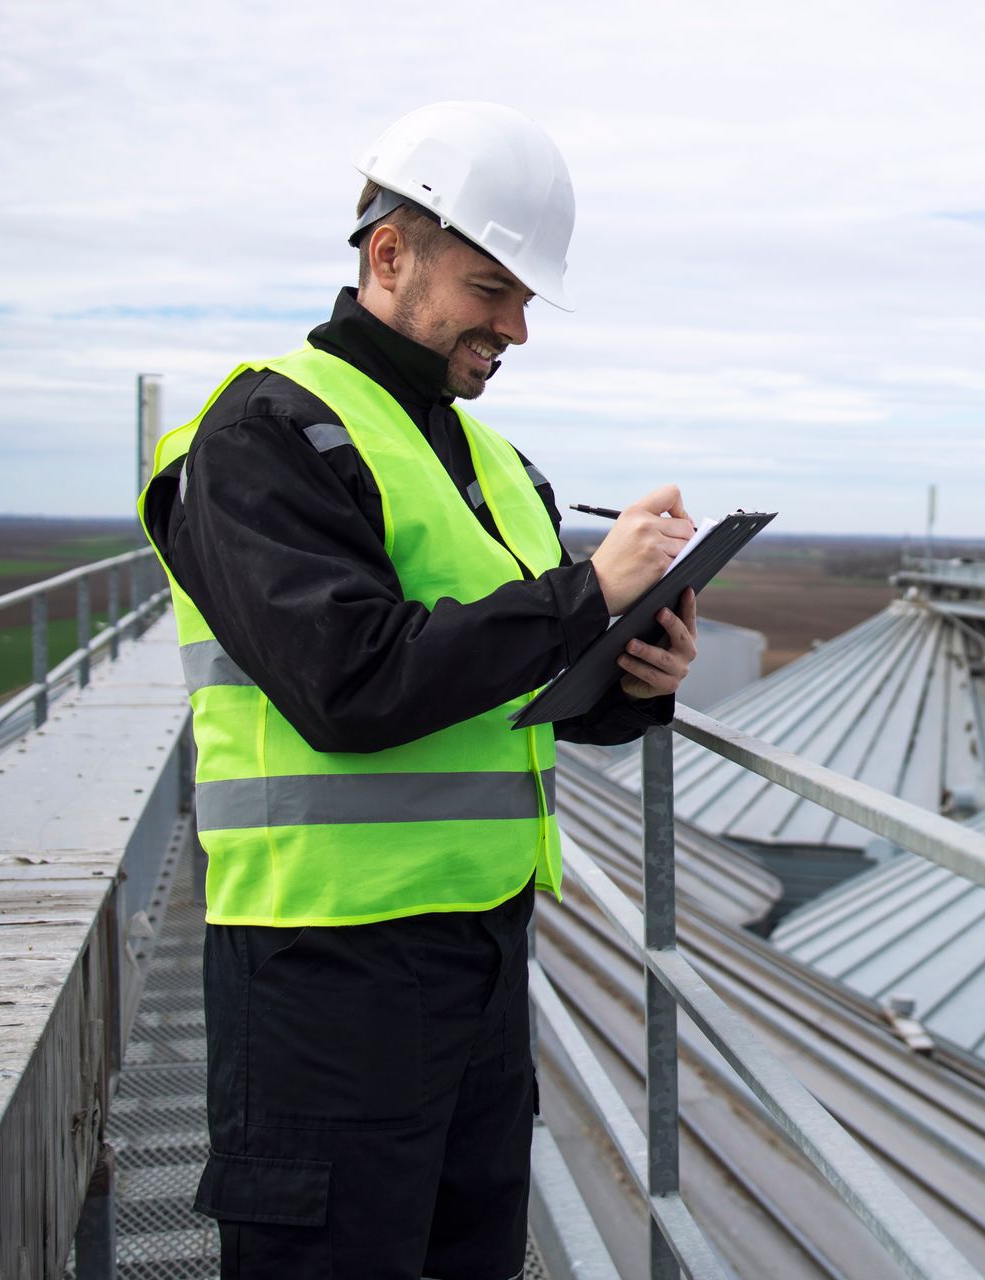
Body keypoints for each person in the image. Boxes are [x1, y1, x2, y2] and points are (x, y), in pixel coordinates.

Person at [138, 101, 696, 1278]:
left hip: (483, 962)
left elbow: (526, 689)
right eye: (494, 289)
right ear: (389, 255)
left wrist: (633, 671)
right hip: (324, 976)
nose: (518, 328)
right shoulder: (263, 431)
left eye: (526, 299)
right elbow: (349, 681)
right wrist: (583, 592)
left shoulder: (495, 461)